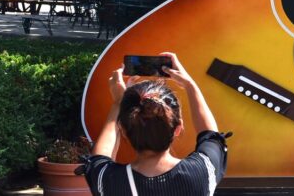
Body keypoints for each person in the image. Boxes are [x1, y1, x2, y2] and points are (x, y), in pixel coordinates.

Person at [83, 52, 228, 195]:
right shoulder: (202, 172)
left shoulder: (108, 180)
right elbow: (211, 137)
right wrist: (189, 85)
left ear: (124, 131)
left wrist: (118, 103)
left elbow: (99, 156)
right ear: (178, 129)